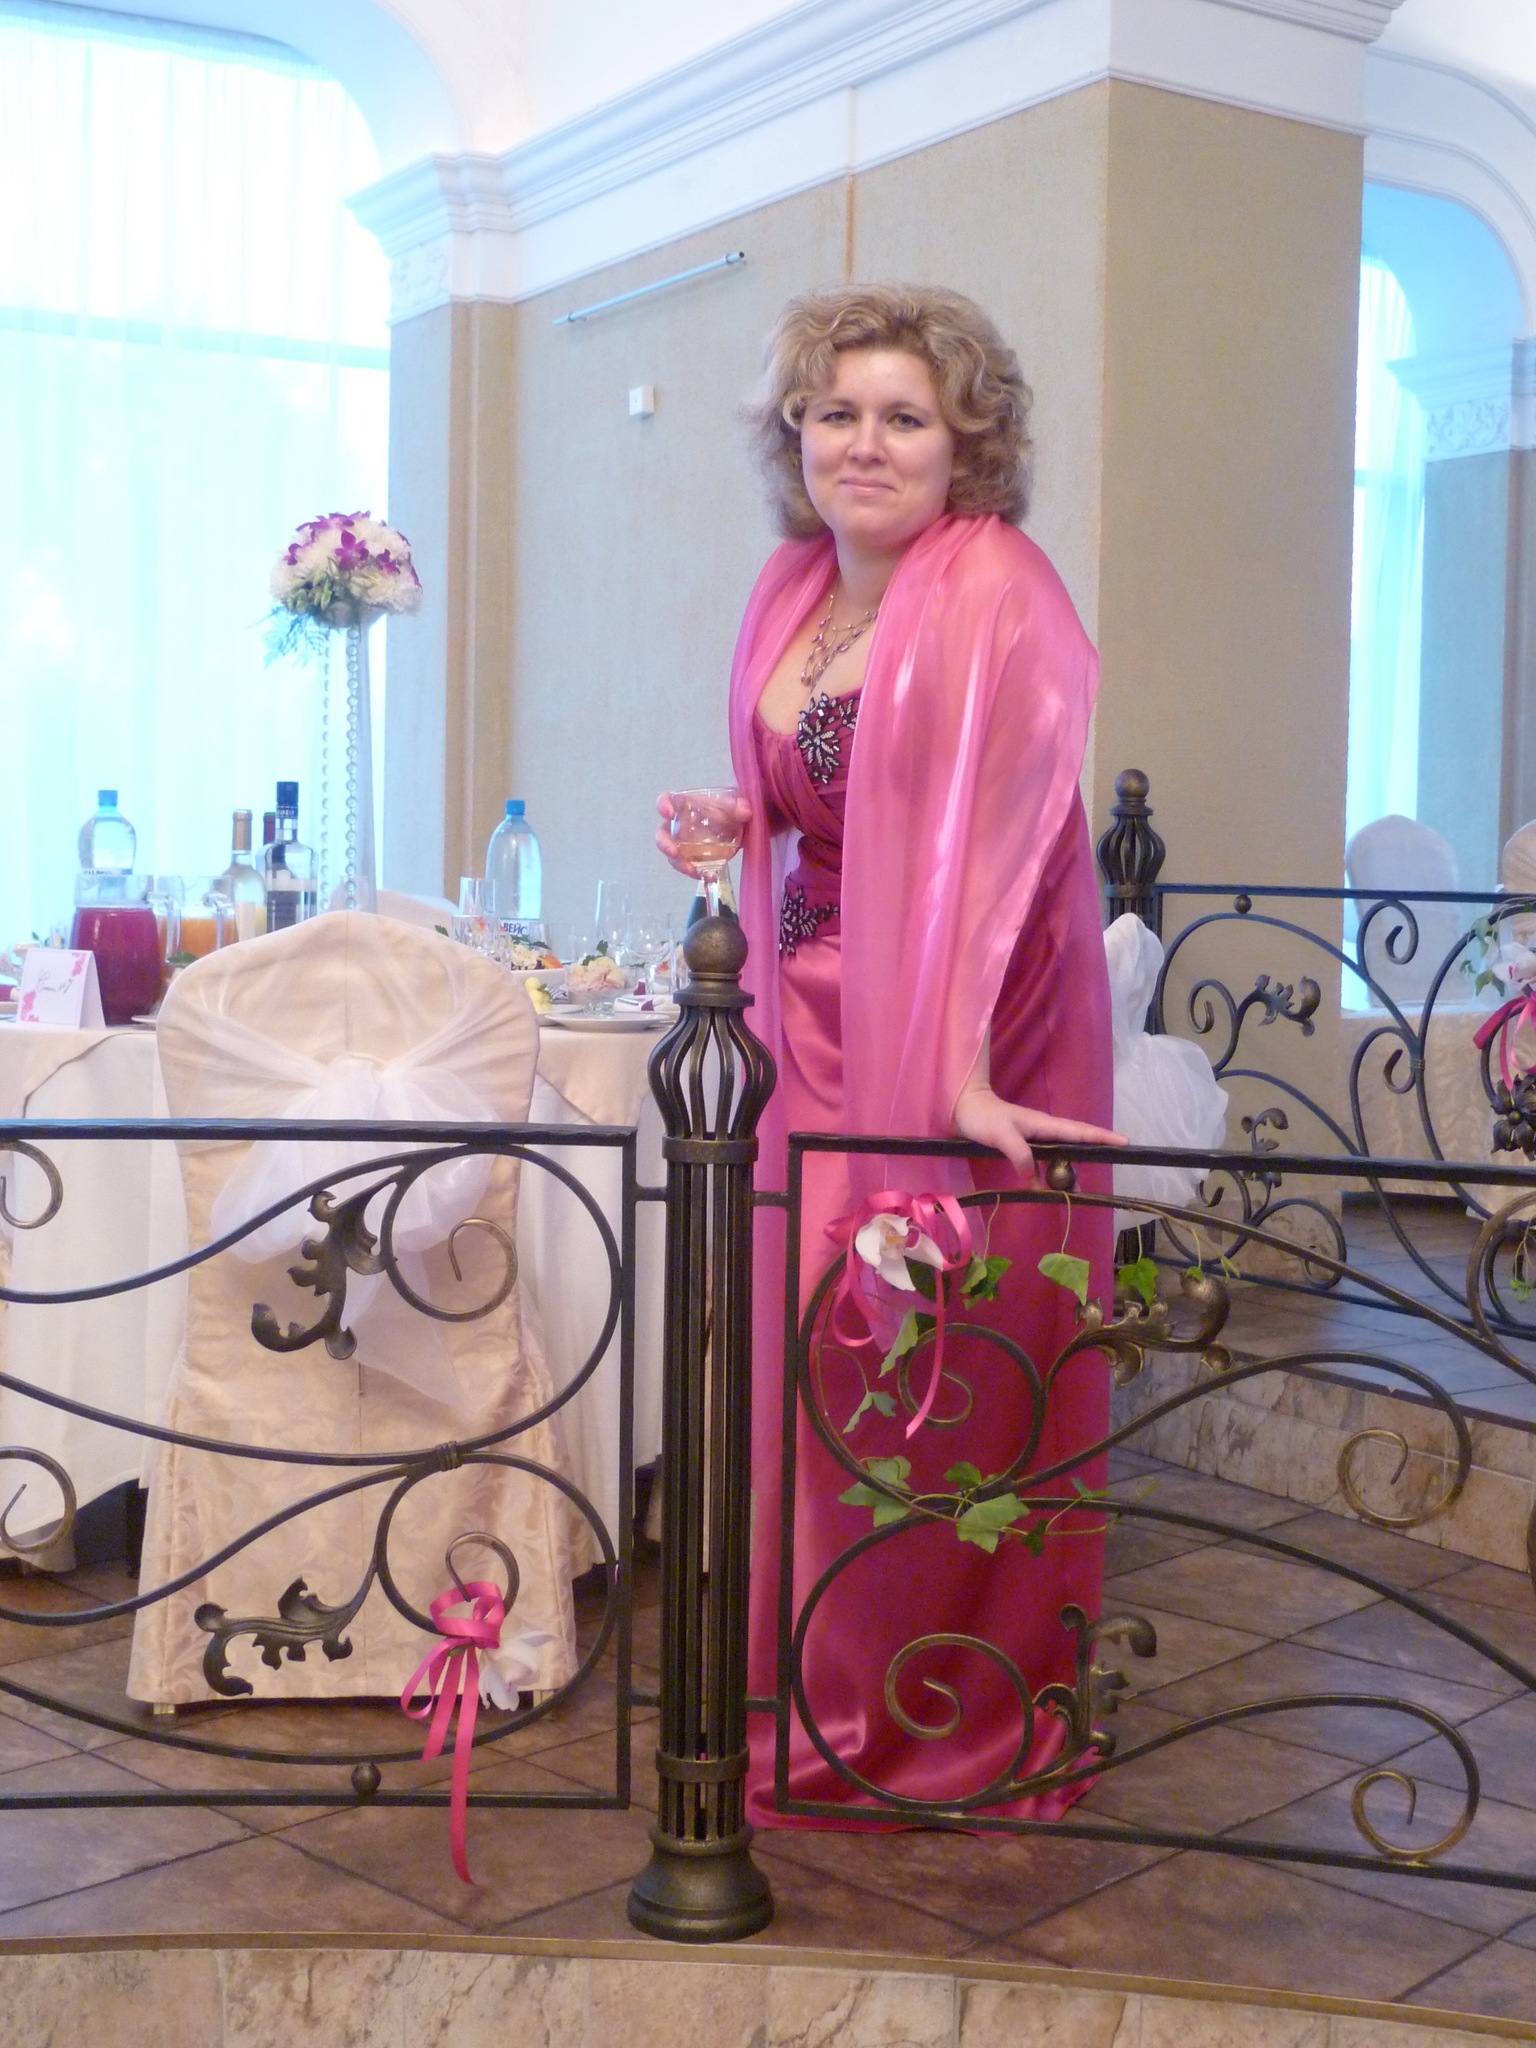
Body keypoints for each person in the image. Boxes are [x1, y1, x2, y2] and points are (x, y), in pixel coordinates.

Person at [657, 283, 1122, 1829]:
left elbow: (1009, 849)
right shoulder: (795, 586)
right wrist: (746, 822)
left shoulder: (996, 586)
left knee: (923, 1361)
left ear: (964, 442)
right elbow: (844, 798)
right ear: (793, 433)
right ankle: (819, 1688)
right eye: (835, 412)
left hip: (962, 1019)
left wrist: (960, 1077)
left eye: (904, 417)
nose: (865, 442)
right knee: (808, 1363)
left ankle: (935, 1714)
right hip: (811, 1016)